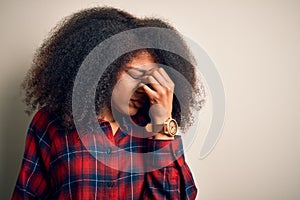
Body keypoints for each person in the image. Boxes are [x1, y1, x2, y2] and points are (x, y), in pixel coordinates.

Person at [12, 7, 203, 199]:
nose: (142, 88)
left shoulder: (152, 126)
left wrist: (162, 126)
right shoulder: (50, 123)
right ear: (104, 69)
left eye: (152, 77)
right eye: (134, 74)